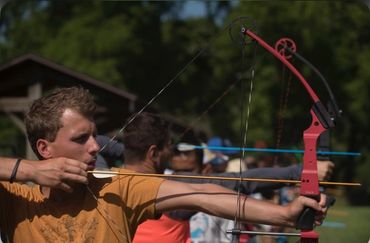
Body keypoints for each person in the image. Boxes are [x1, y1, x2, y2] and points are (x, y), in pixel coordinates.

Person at [0, 87, 328, 243]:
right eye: (80, 138)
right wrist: (28, 170)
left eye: (95, 136)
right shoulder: (17, 199)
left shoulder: (118, 189)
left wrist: (285, 215)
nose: (93, 146)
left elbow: (204, 194)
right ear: (44, 147)